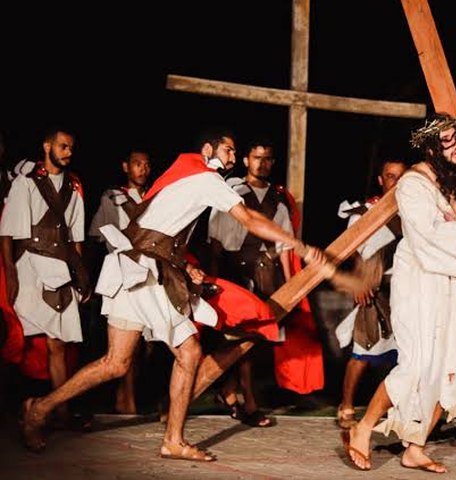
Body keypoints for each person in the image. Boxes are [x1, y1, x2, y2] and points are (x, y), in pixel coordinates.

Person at [18, 128, 325, 461]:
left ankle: (42, 409)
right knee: (173, 355)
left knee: (117, 363)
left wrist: (185, 265)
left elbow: (165, 230)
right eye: (228, 151)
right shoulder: (206, 179)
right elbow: (249, 218)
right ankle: (163, 438)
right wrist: (300, 246)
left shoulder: (188, 175)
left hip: (140, 267)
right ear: (208, 149)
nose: (233, 158)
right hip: (141, 269)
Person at [343, 113, 456, 473]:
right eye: (446, 142)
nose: (454, 148)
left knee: (450, 367)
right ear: (431, 146)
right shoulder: (414, 183)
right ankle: (361, 428)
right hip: (420, 281)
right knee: (418, 364)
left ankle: (415, 447)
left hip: (454, 285)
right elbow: (425, 236)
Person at [0, 127, 90, 428]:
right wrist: (11, 273)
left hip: (61, 268)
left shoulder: (73, 186)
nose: (68, 152)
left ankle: (58, 411)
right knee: (17, 341)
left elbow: (76, 237)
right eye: (63, 146)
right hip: (29, 267)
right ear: (47, 146)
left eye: (71, 147)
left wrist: (81, 273)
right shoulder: (25, 183)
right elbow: (8, 232)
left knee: (58, 344)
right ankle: (18, 405)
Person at [207, 137, 295, 428]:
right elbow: (216, 240)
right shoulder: (230, 192)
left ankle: (231, 393)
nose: (263, 163)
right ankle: (247, 401)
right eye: (257, 157)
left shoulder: (278, 200)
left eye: (268, 158)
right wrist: (214, 278)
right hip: (234, 272)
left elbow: (284, 245)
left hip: (266, 273)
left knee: (256, 341)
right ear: (246, 160)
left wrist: (290, 286)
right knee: (238, 337)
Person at [334, 158, 407, 429]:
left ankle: (396, 406)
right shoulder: (364, 212)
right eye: (390, 176)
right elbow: (352, 250)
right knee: (363, 349)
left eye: (401, 177)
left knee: (404, 354)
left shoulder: (413, 211)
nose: (396, 182)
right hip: (372, 290)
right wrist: (358, 283)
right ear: (381, 179)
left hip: (403, 291)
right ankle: (346, 405)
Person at [87, 148, 151, 414]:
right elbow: (96, 235)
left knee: (147, 345)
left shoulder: (155, 196)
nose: (143, 169)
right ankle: (126, 399)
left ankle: (128, 395)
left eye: (147, 164)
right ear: (126, 166)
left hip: (149, 272)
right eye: (137, 164)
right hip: (123, 273)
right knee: (125, 344)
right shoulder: (112, 198)